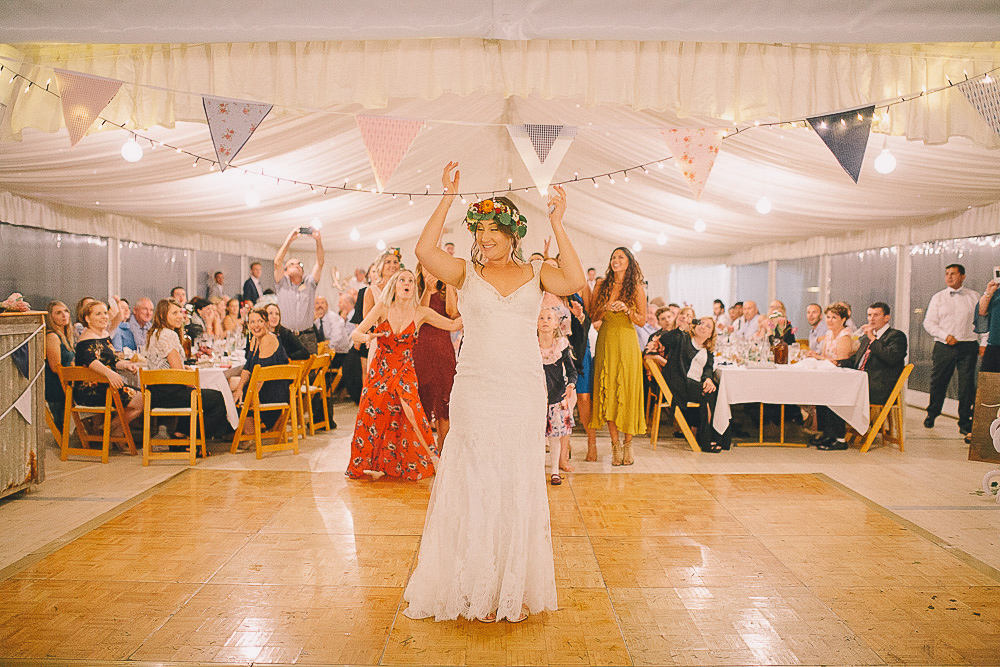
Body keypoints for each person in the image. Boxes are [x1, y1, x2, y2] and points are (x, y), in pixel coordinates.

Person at [404, 162, 584, 624]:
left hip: (522, 390)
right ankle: (471, 583)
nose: (484, 238)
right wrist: (448, 198)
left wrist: (558, 223)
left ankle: (509, 584)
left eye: (493, 231)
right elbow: (423, 250)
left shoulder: (538, 272)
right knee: (476, 481)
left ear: (513, 234)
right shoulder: (465, 272)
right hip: (477, 389)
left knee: (516, 481)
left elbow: (575, 281)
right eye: (479, 230)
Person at [346, 269, 462, 481]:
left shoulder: (421, 312)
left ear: (414, 287)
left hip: (404, 368)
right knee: (373, 413)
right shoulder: (383, 307)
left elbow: (453, 324)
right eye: (402, 280)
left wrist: (479, 310)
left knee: (412, 411)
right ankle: (377, 462)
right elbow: (356, 332)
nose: (407, 283)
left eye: (410, 280)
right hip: (381, 368)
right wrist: (366, 337)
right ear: (395, 285)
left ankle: (433, 459)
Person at [812, 302, 908, 450]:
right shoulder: (868, 338)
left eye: (876, 315)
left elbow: (891, 357)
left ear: (886, 317)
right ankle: (829, 435)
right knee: (825, 388)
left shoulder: (896, 336)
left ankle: (840, 439)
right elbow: (855, 360)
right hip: (860, 381)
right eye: (869, 315)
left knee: (836, 392)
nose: (871, 319)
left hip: (878, 386)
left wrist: (873, 339)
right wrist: (838, 362)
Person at [589, 246, 647, 466]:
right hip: (607, 339)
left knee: (627, 390)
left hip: (627, 341)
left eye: (621, 257)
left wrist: (626, 310)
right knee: (609, 391)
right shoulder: (601, 285)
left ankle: (628, 444)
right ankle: (615, 445)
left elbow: (642, 320)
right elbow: (592, 314)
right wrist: (605, 307)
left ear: (629, 262)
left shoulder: (637, 288)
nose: (616, 260)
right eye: (613, 257)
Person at [145, 299, 230, 440]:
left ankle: (180, 434)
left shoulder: (155, 333)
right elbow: (180, 375)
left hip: (154, 393)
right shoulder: (169, 334)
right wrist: (193, 383)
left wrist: (184, 368)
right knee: (217, 398)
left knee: (198, 394)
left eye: (180, 312)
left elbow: (164, 364)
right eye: (174, 313)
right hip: (169, 394)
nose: (180, 316)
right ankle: (193, 439)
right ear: (162, 315)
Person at [922, 263, 980, 436]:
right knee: (938, 381)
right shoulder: (938, 297)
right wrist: (945, 335)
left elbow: (982, 321)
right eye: (947, 273)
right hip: (944, 345)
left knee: (966, 386)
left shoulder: (974, 296)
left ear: (963, 276)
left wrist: (984, 342)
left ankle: (965, 421)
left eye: (953, 273)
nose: (949, 277)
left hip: (968, 345)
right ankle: (932, 413)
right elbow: (929, 322)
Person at [660, 317, 730, 452]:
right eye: (701, 323)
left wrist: (708, 379)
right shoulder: (683, 338)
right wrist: (680, 328)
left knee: (714, 391)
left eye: (708, 326)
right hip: (679, 383)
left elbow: (708, 367)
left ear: (710, 334)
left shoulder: (707, 349)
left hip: (694, 384)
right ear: (695, 326)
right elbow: (664, 340)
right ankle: (707, 439)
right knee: (709, 394)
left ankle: (714, 437)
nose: (703, 327)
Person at [73, 300, 143, 431]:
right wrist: (110, 374)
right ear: (87, 318)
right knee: (142, 400)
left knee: (142, 397)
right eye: (98, 314)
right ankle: (107, 430)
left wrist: (125, 366)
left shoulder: (104, 335)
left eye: (105, 313)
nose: (104, 317)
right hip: (91, 390)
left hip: (105, 385)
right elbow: (91, 361)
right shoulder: (85, 339)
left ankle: (114, 433)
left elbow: (112, 360)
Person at [414, 263, 460, 450]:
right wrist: (427, 289)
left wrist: (448, 284)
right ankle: (424, 452)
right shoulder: (416, 290)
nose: (432, 270)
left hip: (443, 348)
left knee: (444, 399)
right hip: (422, 348)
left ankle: (444, 449)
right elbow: (420, 314)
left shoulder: (447, 289)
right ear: (420, 269)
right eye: (426, 267)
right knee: (424, 395)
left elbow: (452, 313)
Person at [231, 308, 291, 434]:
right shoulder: (254, 339)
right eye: (252, 322)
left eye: (260, 321)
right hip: (264, 386)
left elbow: (261, 375)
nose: (256, 325)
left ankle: (250, 434)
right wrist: (240, 388)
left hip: (273, 391)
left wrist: (250, 395)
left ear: (267, 323)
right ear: (248, 325)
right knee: (234, 389)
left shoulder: (268, 340)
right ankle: (243, 431)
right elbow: (247, 368)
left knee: (235, 396)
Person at [538, 307, 576, 485]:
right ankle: (537, 470)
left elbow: (571, 371)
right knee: (536, 436)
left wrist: (571, 384)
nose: (545, 321)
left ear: (555, 324)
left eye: (549, 318)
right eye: (541, 318)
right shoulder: (531, 345)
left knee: (554, 437)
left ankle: (554, 470)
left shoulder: (561, 346)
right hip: (536, 397)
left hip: (556, 396)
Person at [273, 225, 325, 354]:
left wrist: (318, 240)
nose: (297, 266)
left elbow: (320, 263)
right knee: (286, 366)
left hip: (307, 336)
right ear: (285, 271)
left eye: (299, 264)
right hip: (286, 335)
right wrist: (289, 240)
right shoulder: (282, 282)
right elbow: (277, 262)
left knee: (311, 367)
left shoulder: (309, 283)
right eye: (292, 264)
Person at [44, 300, 75, 424]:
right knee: (62, 424)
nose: (64, 315)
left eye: (66, 311)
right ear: (50, 318)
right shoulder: (52, 336)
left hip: (67, 384)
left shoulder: (66, 336)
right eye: (58, 313)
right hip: (57, 386)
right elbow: (56, 367)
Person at [976, 276, 1000, 373]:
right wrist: (989, 291)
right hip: (994, 345)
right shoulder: (996, 294)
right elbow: (982, 312)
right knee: (988, 379)